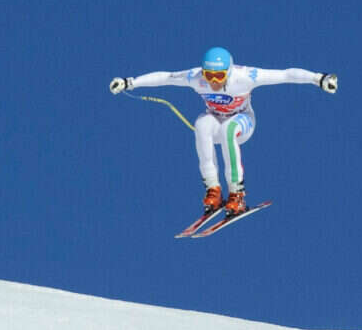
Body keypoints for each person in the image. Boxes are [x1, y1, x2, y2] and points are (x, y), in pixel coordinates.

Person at [110, 47, 338, 216]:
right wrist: (130, 82)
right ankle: (213, 189)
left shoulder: (246, 77)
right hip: (215, 121)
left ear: (229, 72)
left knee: (229, 129)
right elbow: (167, 77)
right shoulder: (196, 78)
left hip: (242, 121)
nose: (213, 81)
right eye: (209, 75)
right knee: (201, 124)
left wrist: (318, 79)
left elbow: (285, 75)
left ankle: (237, 193)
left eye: (219, 76)